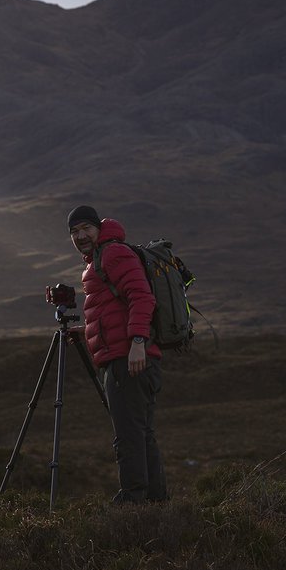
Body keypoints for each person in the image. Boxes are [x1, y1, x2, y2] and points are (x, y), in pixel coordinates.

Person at [67, 205, 168, 503]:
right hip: (128, 358)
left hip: (131, 359)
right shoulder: (100, 259)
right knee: (141, 434)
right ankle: (157, 503)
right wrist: (85, 332)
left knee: (128, 437)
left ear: (99, 228)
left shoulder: (113, 254)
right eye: (74, 232)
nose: (80, 236)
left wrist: (138, 341)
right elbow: (112, 311)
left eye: (86, 228)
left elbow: (142, 297)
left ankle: (132, 502)